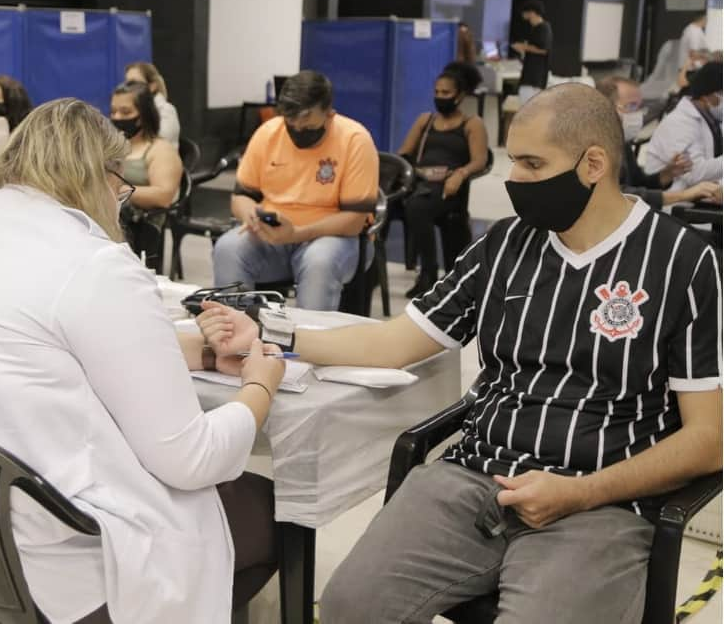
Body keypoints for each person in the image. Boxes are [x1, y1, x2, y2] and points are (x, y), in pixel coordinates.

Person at [198, 83, 722, 624]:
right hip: (477, 478)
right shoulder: (506, 246)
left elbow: (708, 440)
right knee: (350, 606)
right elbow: (392, 343)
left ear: (593, 164)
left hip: (601, 501)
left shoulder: (681, 262)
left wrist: (581, 492)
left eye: (532, 164)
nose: (514, 179)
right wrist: (273, 335)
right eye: (512, 161)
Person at [0, 98, 283, 623]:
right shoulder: (93, 262)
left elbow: (44, 348)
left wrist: (201, 350)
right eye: (121, 184)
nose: (121, 198)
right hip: (70, 562)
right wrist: (260, 384)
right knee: (276, 510)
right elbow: (191, 459)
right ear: (95, 175)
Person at [213, 70, 379, 311]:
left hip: (332, 238)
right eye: (292, 124)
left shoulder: (355, 139)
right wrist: (250, 215)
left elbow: (354, 221)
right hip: (274, 237)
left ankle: (310, 344)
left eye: (308, 123)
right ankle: (236, 338)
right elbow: (241, 196)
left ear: (329, 112)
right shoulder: (268, 133)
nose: (299, 130)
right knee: (228, 248)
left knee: (319, 262)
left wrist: (298, 233)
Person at [397, 62, 489, 297]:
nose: (440, 97)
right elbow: (404, 153)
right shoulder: (425, 120)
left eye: (446, 93)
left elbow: (480, 160)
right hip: (421, 182)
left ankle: (428, 274)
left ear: (460, 95)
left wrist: (460, 174)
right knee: (390, 204)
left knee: (417, 207)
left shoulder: (472, 124)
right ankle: (371, 274)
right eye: (437, 92)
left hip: (449, 186)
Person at [596, 76, 720, 209]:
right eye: (631, 106)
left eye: (639, 107)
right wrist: (683, 195)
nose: (638, 114)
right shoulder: (596, 146)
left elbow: (638, 183)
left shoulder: (621, 141)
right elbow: (619, 194)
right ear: (606, 107)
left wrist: (668, 173)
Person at [110, 80, 184, 269]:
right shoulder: (111, 148)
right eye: (113, 112)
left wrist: (121, 190)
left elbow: (163, 196)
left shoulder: (160, 150)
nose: (117, 117)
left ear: (143, 115)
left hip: (141, 224)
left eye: (125, 112)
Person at [645, 61, 723, 191]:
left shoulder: (712, 119)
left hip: (701, 196)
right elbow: (693, 173)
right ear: (706, 96)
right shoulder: (679, 123)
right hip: (672, 202)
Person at [125, 61, 180, 147]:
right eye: (127, 84)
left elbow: (159, 143)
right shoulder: (134, 111)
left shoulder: (166, 110)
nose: (128, 89)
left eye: (134, 83)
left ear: (152, 86)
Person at [513, 0, 552, 105]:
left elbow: (544, 49)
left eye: (525, 11)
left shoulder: (543, 28)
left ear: (532, 12)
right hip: (530, 76)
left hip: (534, 79)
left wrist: (524, 47)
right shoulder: (535, 28)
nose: (523, 14)